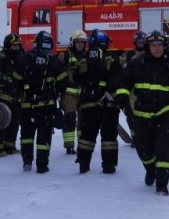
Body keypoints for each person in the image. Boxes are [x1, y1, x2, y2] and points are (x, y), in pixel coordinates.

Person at [115, 30, 169, 196]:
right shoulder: (137, 64)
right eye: (154, 45)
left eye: (160, 45)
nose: (157, 49)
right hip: (142, 115)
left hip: (164, 113)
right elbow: (124, 82)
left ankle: (162, 184)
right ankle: (150, 169)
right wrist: (123, 97)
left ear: (164, 47)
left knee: (165, 148)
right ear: (148, 47)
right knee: (143, 150)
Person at [19, 31, 67, 173]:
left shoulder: (27, 57)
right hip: (46, 106)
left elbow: (17, 78)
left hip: (28, 106)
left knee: (27, 135)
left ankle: (27, 161)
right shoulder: (53, 59)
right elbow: (63, 81)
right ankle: (42, 165)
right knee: (44, 137)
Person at [75, 29, 122, 174]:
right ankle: (108, 165)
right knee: (109, 136)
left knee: (87, 135)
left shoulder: (84, 58)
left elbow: (78, 79)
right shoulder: (112, 58)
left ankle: (83, 163)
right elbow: (117, 79)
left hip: (89, 104)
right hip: (109, 103)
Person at [0, 33, 25, 157]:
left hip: (15, 97)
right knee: (1, 122)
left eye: (18, 45)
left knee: (14, 122)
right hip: (2, 96)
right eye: (14, 46)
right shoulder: (0, 58)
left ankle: (10, 146)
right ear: (8, 45)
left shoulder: (21, 57)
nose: (16, 48)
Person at [60, 29, 87, 155]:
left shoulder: (87, 56)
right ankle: (69, 146)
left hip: (84, 93)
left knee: (83, 121)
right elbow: (57, 72)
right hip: (69, 94)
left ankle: (82, 144)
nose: (80, 44)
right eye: (78, 42)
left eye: (82, 42)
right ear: (73, 43)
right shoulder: (65, 56)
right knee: (70, 119)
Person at [119, 30, 147, 144]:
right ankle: (135, 137)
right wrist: (123, 64)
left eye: (142, 42)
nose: (140, 44)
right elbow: (120, 61)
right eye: (138, 42)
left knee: (145, 114)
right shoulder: (129, 54)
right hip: (132, 90)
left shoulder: (149, 54)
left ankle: (145, 136)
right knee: (131, 114)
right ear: (135, 42)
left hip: (146, 88)